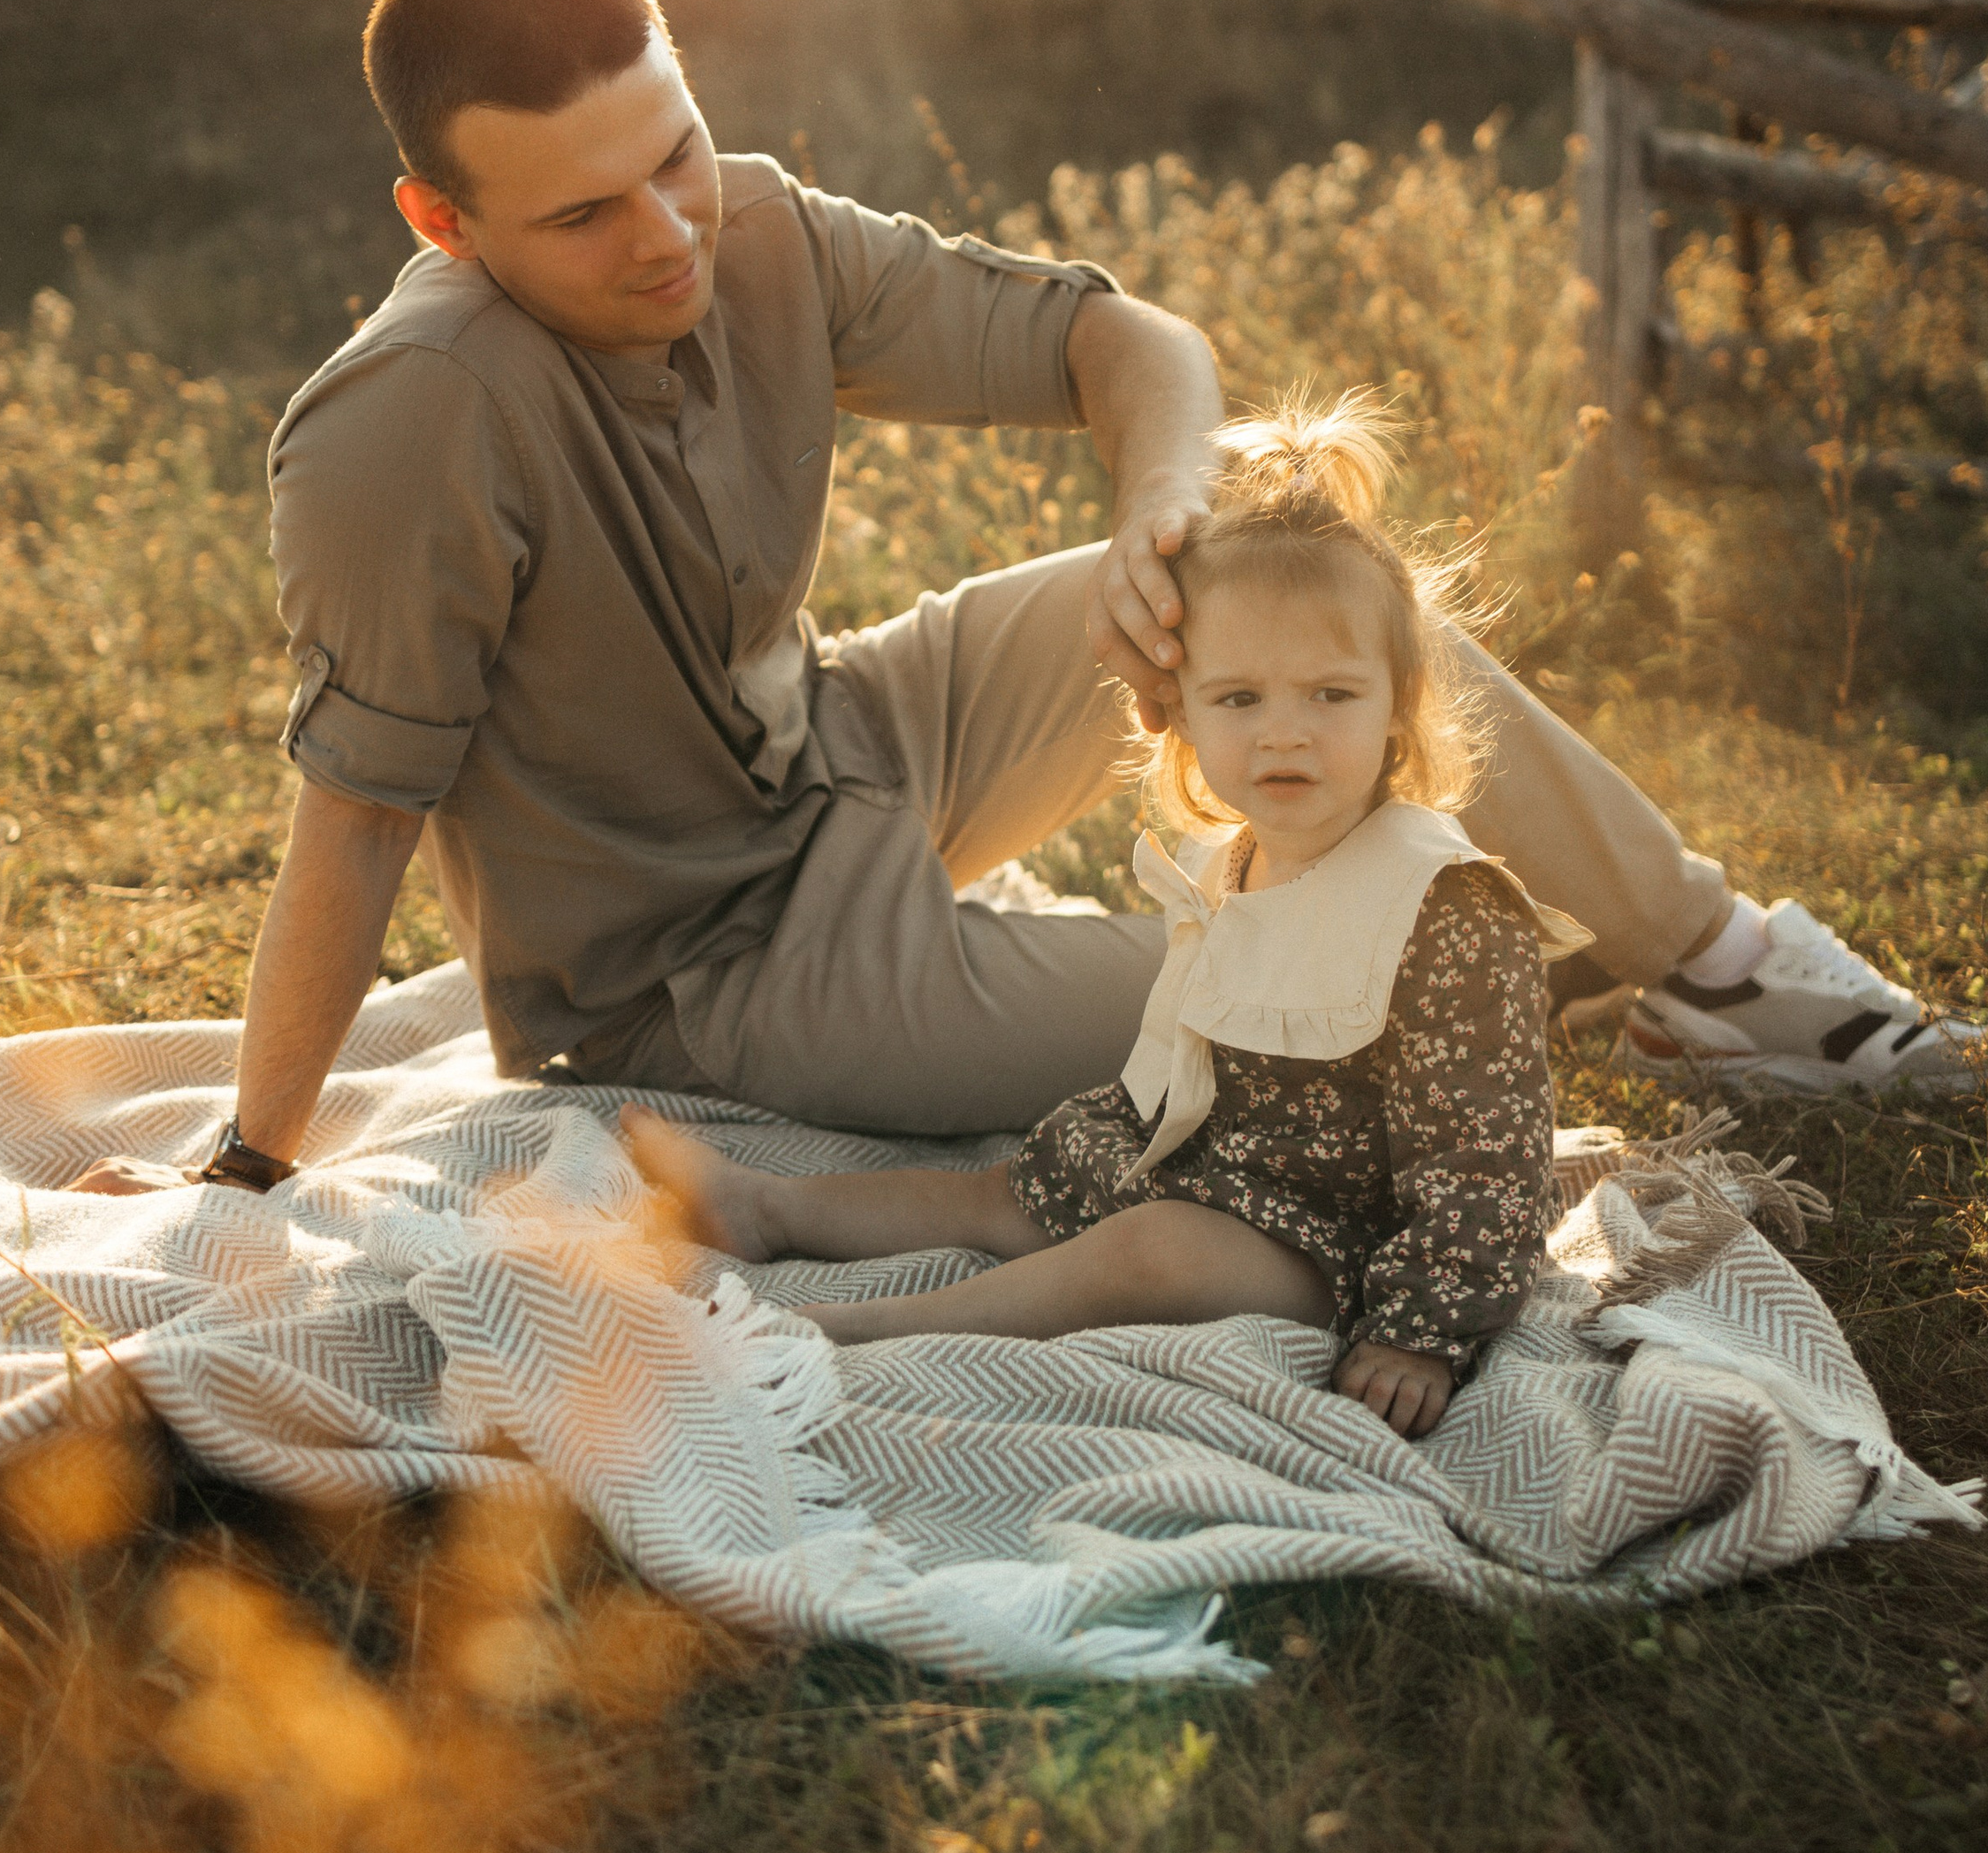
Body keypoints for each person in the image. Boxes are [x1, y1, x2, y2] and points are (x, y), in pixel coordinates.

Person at [76, 0, 1988, 1203]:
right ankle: (1503, 967)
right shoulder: (400, 425)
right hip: (697, 972)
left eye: (675, 151)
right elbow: (354, 823)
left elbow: (1120, 340)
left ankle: (1715, 968)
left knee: (1297, 565)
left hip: (856, 742)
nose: (664, 233)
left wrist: (1166, 523)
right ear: (443, 219)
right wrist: (249, 1164)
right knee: (1298, 999)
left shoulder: (751, 228)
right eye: (583, 214)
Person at [621, 394, 1576, 1435]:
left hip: (1333, 1239)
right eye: (1240, 699)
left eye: (1331, 696)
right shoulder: (1233, 859)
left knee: (1147, 1250)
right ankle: (764, 1208)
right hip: (1211, 1163)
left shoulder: (1440, 904)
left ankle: (852, 1331)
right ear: (1180, 710)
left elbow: (1487, 1155)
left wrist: (1423, 1326)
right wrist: (1119, 1143)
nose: (1283, 735)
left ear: (1399, 701)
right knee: (1006, 1191)